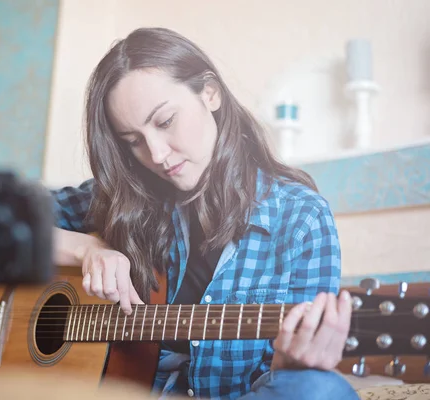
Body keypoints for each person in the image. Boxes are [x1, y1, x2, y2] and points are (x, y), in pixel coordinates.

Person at [50, 27, 358, 399]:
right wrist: (86, 249)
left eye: (165, 122)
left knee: (320, 390)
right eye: (134, 142)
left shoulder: (302, 218)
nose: (157, 155)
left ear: (209, 93)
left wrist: (290, 370)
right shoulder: (124, 200)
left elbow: (289, 376)